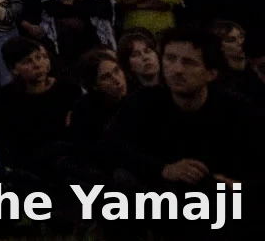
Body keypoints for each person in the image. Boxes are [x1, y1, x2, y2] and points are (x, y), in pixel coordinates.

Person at [104, 27, 261, 186]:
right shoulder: (143, 102)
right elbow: (111, 146)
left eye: (189, 62)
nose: (177, 70)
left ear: (211, 73)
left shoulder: (237, 111)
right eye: (170, 59)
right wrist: (163, 169)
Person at [0, 35, 78, 181]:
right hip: (31, 168)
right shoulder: (5, 98)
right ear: (14, 69)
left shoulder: (68, 89)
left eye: (39, 57)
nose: (37, 65)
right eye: (27, 62)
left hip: (69, 159)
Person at [64, 49, 129, 181]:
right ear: (95, 85)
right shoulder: (85, 111)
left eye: (117, 71)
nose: (117, 80)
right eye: (106, 77)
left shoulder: (137, 92)